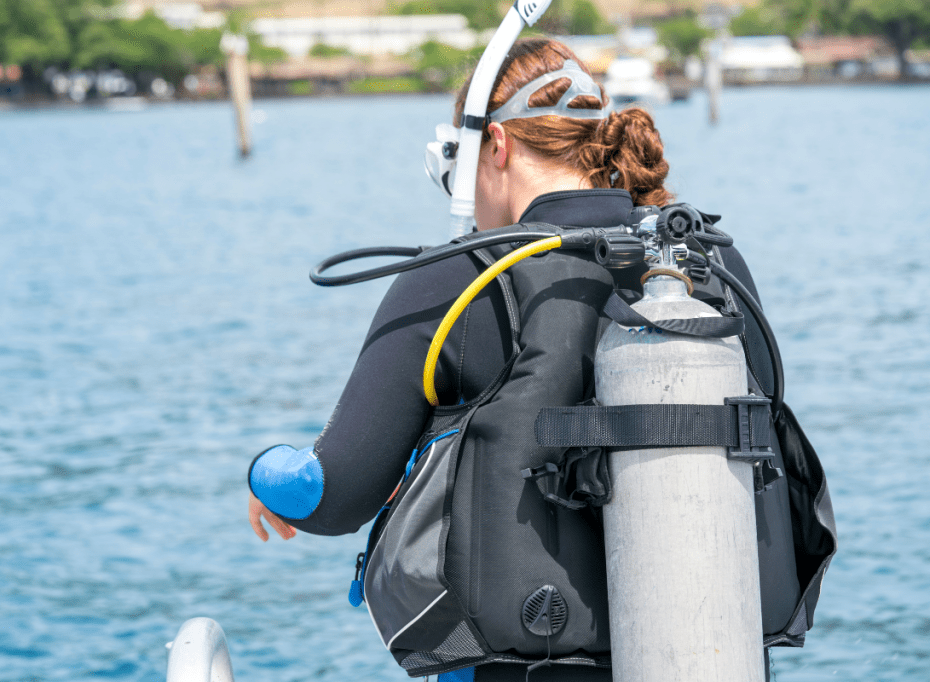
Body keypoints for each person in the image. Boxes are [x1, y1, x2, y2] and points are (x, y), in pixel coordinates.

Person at [247, 38, 828, 682]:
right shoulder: (714, 263)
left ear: (494, 144)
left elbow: (328, 493)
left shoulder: (458, 278)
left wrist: (262, 474)